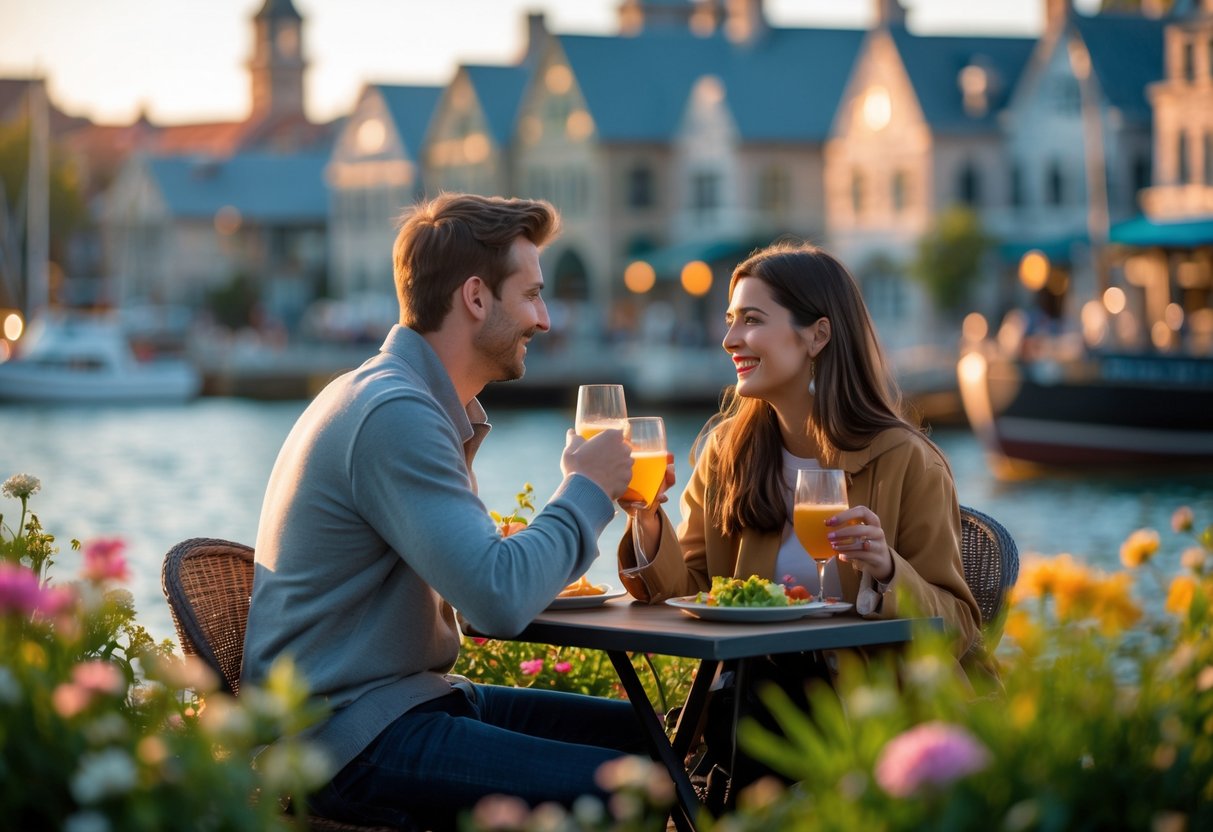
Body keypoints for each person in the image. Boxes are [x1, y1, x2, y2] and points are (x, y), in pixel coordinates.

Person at [241, 193, 648, 831]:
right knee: (642, 788)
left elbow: (477, 575)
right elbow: (496, 600)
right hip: (347, 742)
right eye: (533, 294)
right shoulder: (394, 413)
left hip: (403, 704)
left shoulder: (398, 397)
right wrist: (587, 489)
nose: (545, 320)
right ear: (476, 297)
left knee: (670, 742)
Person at [616, 241, 995, 792]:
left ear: (818, 334)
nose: (728, 340)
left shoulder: (904, 460)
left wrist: (888, 570)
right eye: (730, 320)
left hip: (881, 720)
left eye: (751, 320)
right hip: (757, 708)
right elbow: (691, 588)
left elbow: (958, 627)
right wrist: (647, 517)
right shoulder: (727, 451)